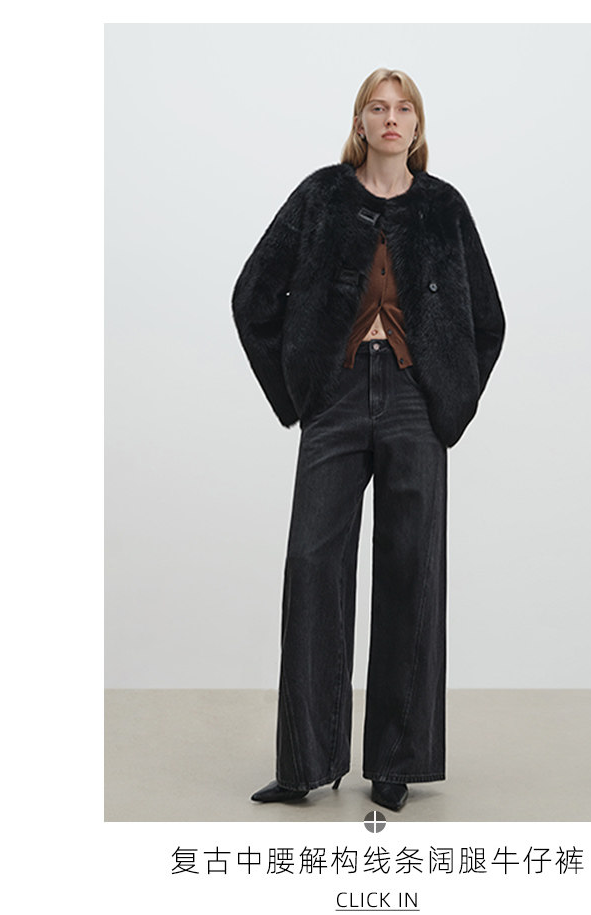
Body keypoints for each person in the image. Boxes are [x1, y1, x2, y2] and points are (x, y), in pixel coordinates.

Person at [231, 67, 505, 812]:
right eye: (377, 108)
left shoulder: (444, 208)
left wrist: (450, 401)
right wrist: (298, 393)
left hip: (416, 401)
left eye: (403, 108)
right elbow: (253, 295)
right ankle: (304, 763)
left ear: (417, 126)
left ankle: (395, 763)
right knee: (312, 563)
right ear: (359, 123)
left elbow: (487, 319)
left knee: (412, 567)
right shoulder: (321, 196)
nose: (391, 118)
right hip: (338, 395)